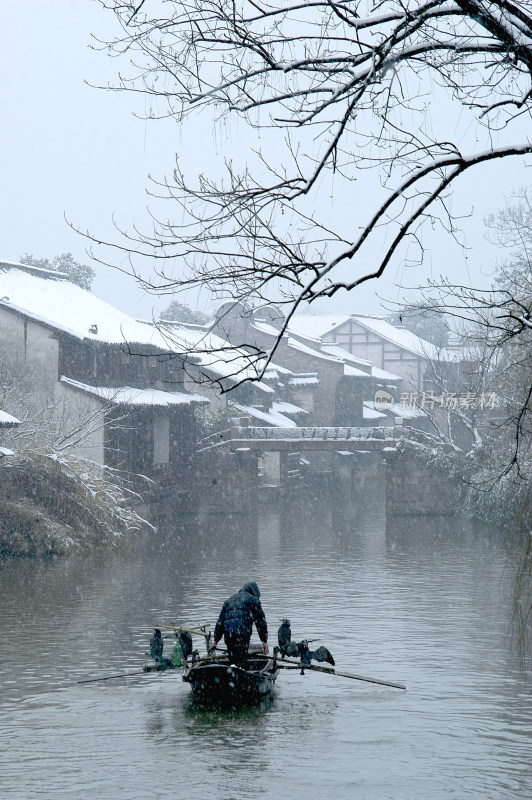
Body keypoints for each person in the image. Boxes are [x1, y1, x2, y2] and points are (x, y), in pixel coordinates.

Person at [209, 582, 269, 664]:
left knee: (232, 659)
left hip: (229, 635)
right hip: (242, 634)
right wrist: (264, 641)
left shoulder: (229, 600)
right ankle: (241, 671)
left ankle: (232, 671)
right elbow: (260, 622)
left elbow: (220, 622)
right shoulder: (253, 600)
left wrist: (215, 641)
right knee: (241, 660)